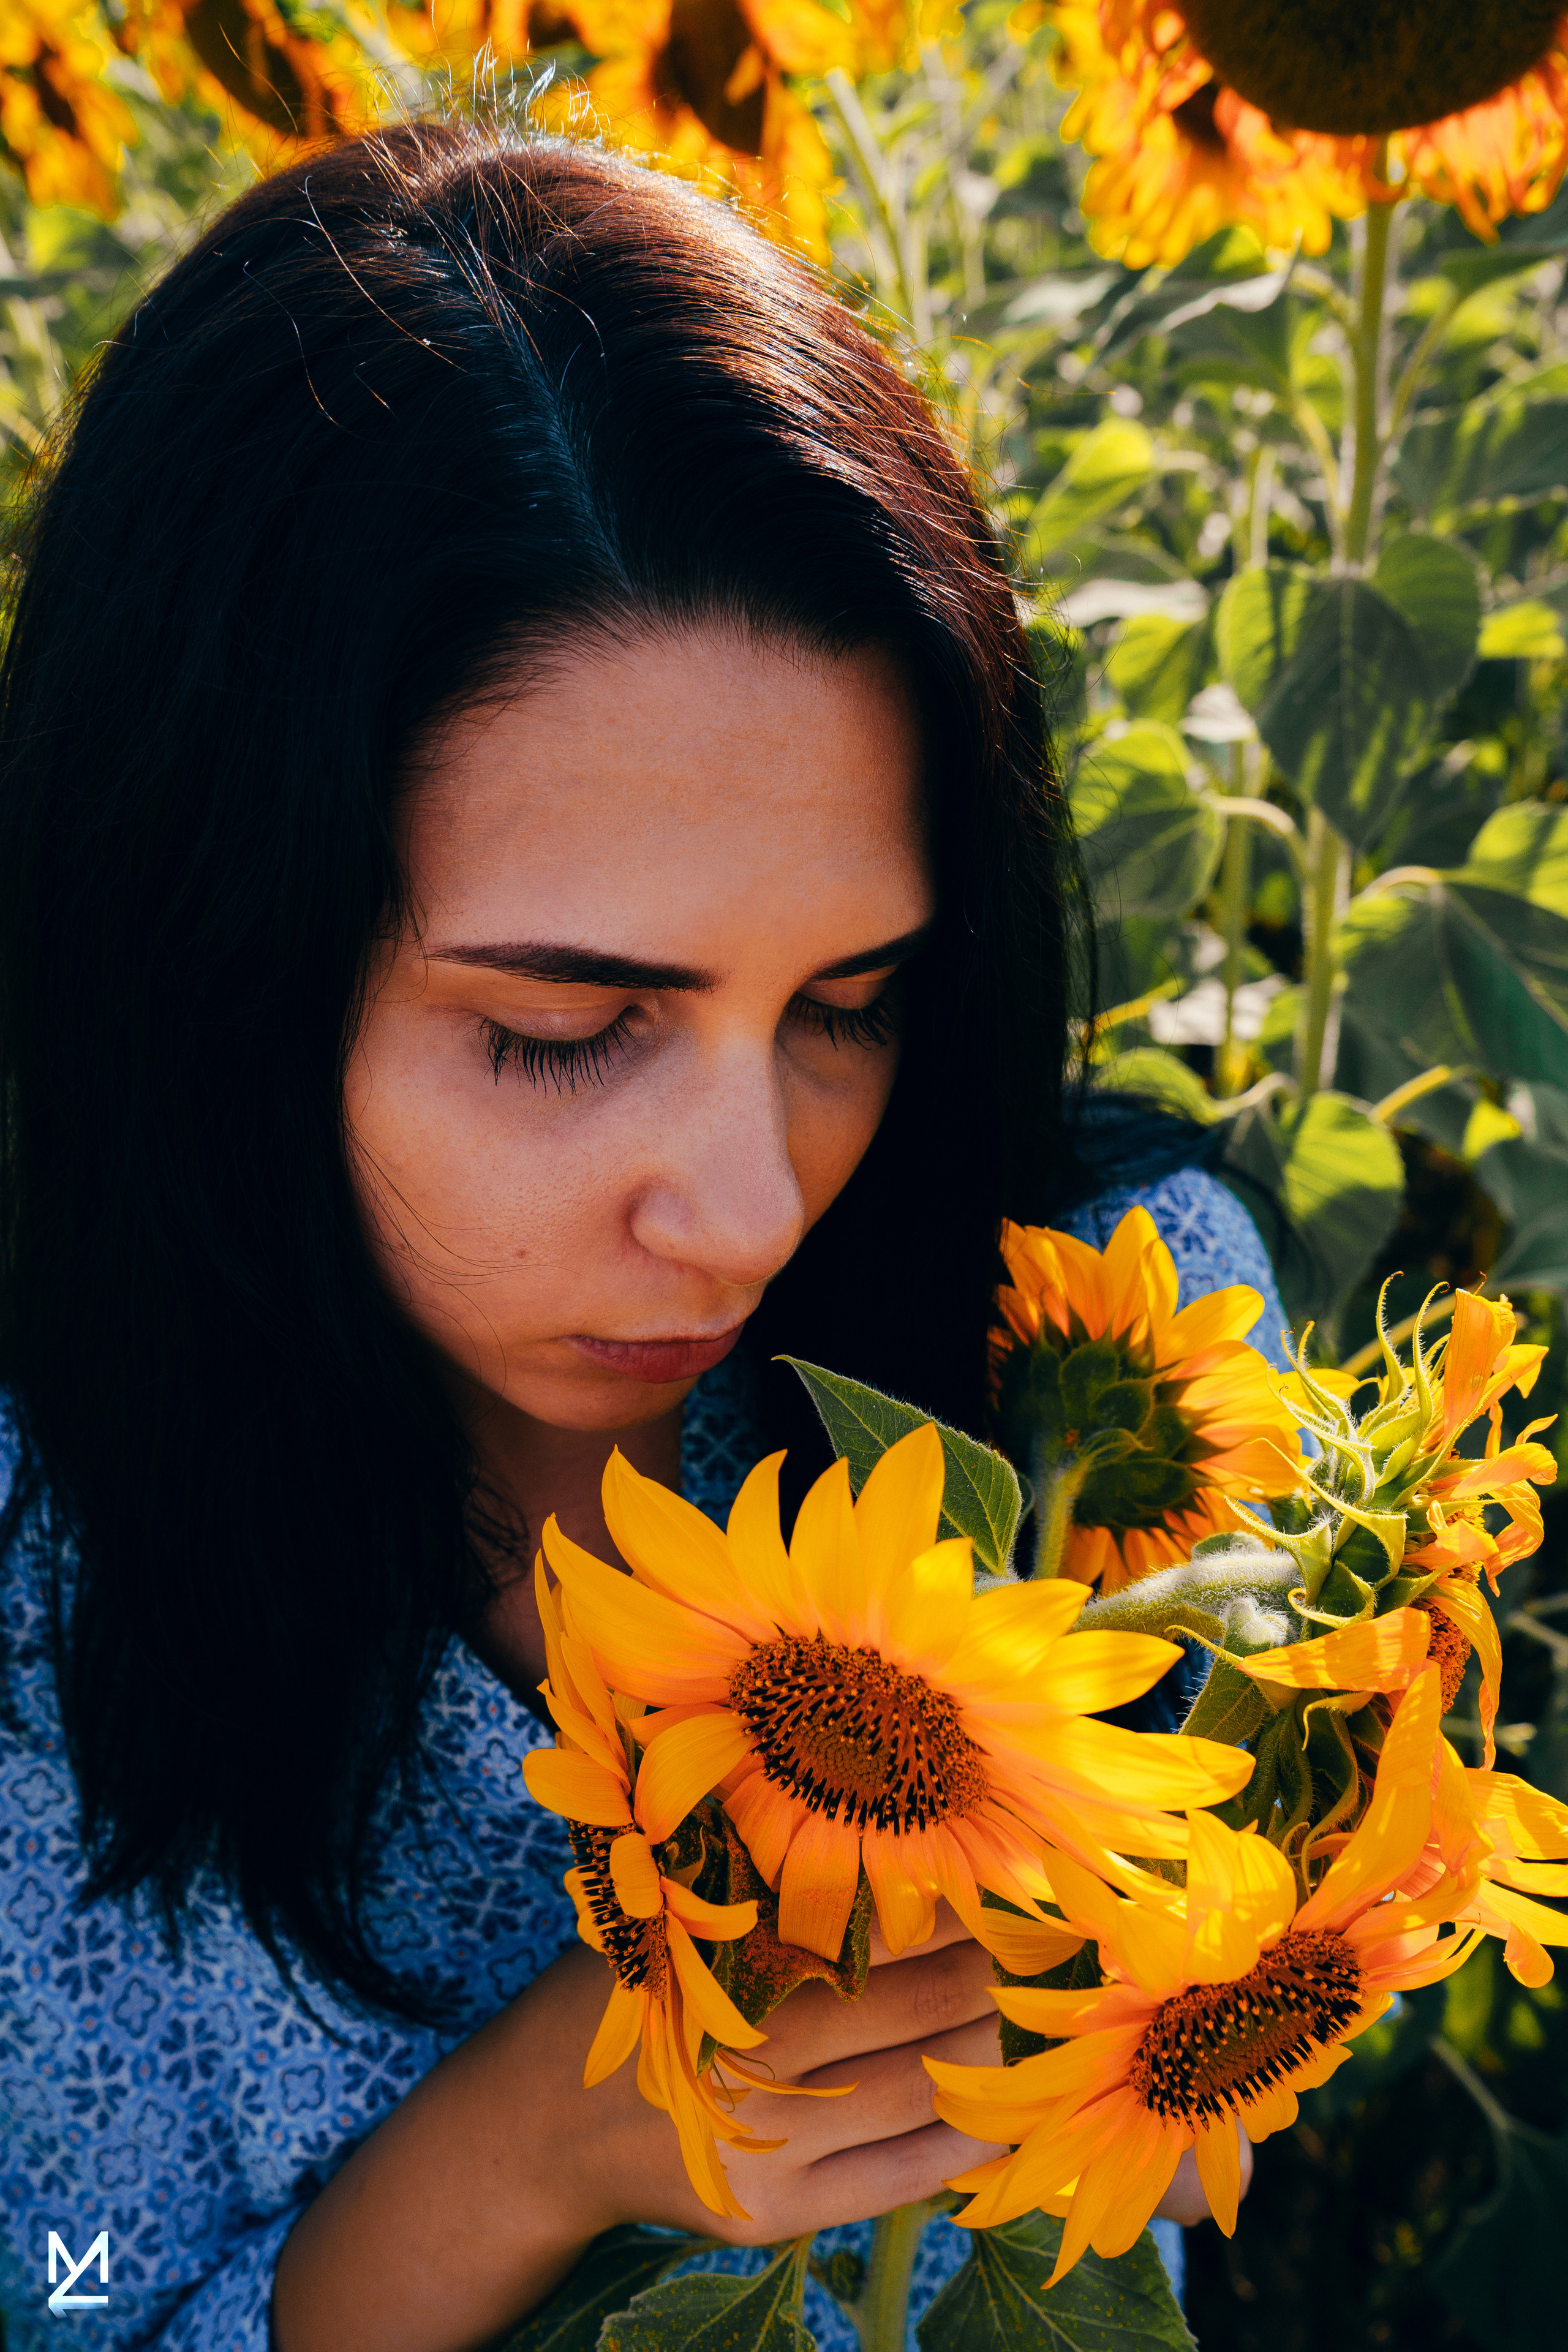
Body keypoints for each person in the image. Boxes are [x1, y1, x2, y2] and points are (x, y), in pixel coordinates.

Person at [0, 120, 1267, 2351]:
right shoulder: (42, 1596)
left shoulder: (1114, 1366)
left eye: (849, 1009)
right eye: (572, 1030)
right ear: (201, 956)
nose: (757, 1210)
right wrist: (533, 2147)